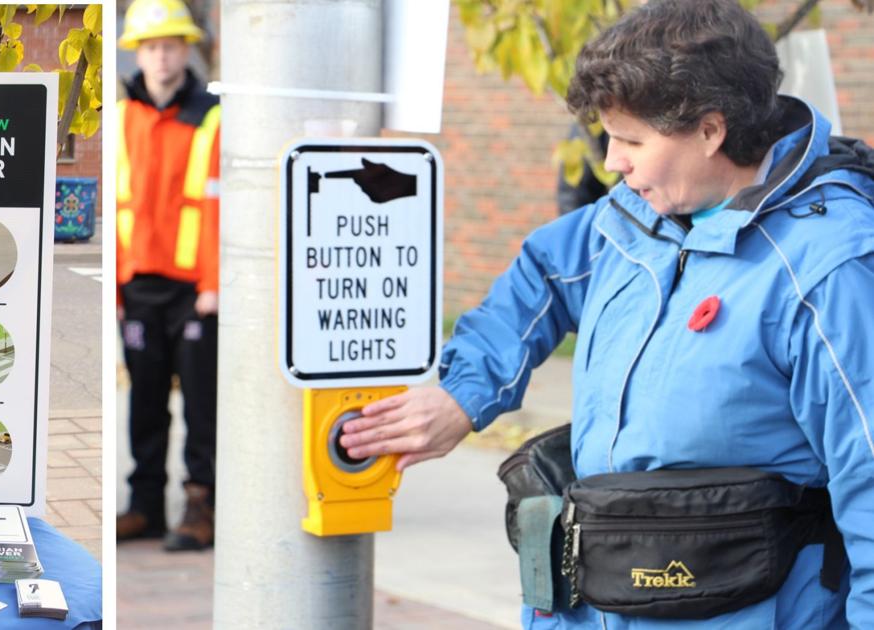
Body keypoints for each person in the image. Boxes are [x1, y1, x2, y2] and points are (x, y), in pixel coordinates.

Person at [340, 0, 874, 627]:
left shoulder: (830, 268)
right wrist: (464, 394)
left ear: (710, 130)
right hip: (599, 598)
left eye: (631, 140)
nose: (612, 162)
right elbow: (541, 277)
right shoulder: (631, 217)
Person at [115, 0, 220, 552]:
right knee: (145, 402)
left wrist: (213, 284)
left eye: (171, 45)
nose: (161, 56)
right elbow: (117, 203)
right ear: (139, 51)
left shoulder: (210, 115)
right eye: (152, 46)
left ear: (185, 49)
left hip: (194, 290)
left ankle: (200, 505)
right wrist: (114, 287)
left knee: (202, 403)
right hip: (138, 285)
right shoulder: (121, 116)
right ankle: (145, 508)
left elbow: (216, 205)